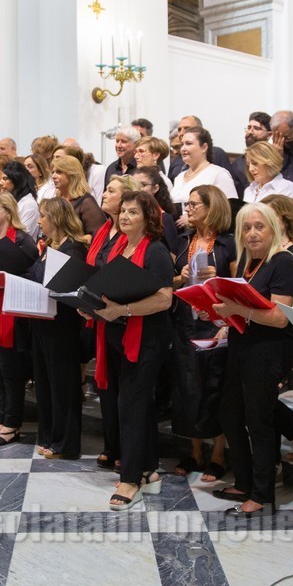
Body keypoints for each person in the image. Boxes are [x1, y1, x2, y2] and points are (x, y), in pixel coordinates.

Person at [210, 203, 293, 517]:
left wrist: (236, 310)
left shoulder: (283, 262)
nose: (252, 234)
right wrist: (216, 313)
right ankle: (244, 481)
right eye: (246, 228)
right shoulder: (247, 262)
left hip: (267, 350)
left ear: (273, 228)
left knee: (259, 421)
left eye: (259, 227)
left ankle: (262, 495)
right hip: (243, 345)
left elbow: (279, 317)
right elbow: (241, 308)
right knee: (229, 413)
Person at [88, 190, 174, 510]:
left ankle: (130, 479)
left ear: (148, 218)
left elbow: (164, 299)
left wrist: (121, 310)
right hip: (117, 334)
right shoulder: (119, 246)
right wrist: (92, 306)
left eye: (133, 212)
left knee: (131, 405)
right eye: (123, 211)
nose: (124, 216)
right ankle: (149, 470)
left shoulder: (156, 251)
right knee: (136, 404)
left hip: (147, 337)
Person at [171, 185, 236, 482]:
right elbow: (171, 281)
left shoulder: (227, 244)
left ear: (212, 208)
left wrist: (218, 277)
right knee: (187, 386)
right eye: (187, 204)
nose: (188, 209)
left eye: (194, 204)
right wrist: (180, 276)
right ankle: (195, 451)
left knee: (215, 386)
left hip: (216, 322)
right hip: (185, 320)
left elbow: (239, 282)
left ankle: (218, 454)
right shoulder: (184, 240)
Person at [86, 174, 142, 471]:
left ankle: (126, 449)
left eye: (111, 191)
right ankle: (111, 444)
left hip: (122, 318)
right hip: (100, 317)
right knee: (106, 386)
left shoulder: (129, 236)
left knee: (122, 387)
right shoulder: (103, 229)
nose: (104, 194)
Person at [0, 191, 38, 446]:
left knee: (10, 370)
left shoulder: (22, 241)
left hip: (10, 313)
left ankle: (12, 423)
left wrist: (2, 283)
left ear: (9, 211)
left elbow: (32, 276)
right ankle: (1, 417)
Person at [28, 198, 89, 459]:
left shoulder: (73, 248)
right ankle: (49, 435)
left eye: (43, 216)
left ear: (56, 218)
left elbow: (69, 284)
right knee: (44, 383)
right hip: (43, 321)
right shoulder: (49, 246)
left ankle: (66, 443)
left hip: (63, 324)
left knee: (63, 385)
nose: (39, 221)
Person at [170, 127, 237, 219]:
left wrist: (193, 217)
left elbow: (230, 210)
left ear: (204, 147)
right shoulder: (179, 177)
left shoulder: (218, 174)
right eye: (182, 144)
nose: (183, 149)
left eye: (188, 144)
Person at [51, 155, 106, 237]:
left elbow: (98, 235)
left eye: (59, 172)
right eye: (53, 172)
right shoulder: (57, 200)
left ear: (72, 174)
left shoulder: (86, 202)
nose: (53, 176)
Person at [132, 166, 179, 252]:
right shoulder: (125, 215)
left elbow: (173, 253)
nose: (137, 189)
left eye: (143, 185)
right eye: (134, 184)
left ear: (155, 188)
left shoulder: (164, 219)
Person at [0, 161, 40, 237]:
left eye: (5, 179)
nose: (0, 183)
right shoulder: (11, 200)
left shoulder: (28, 204)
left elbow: (22, 236)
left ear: (16, 180)